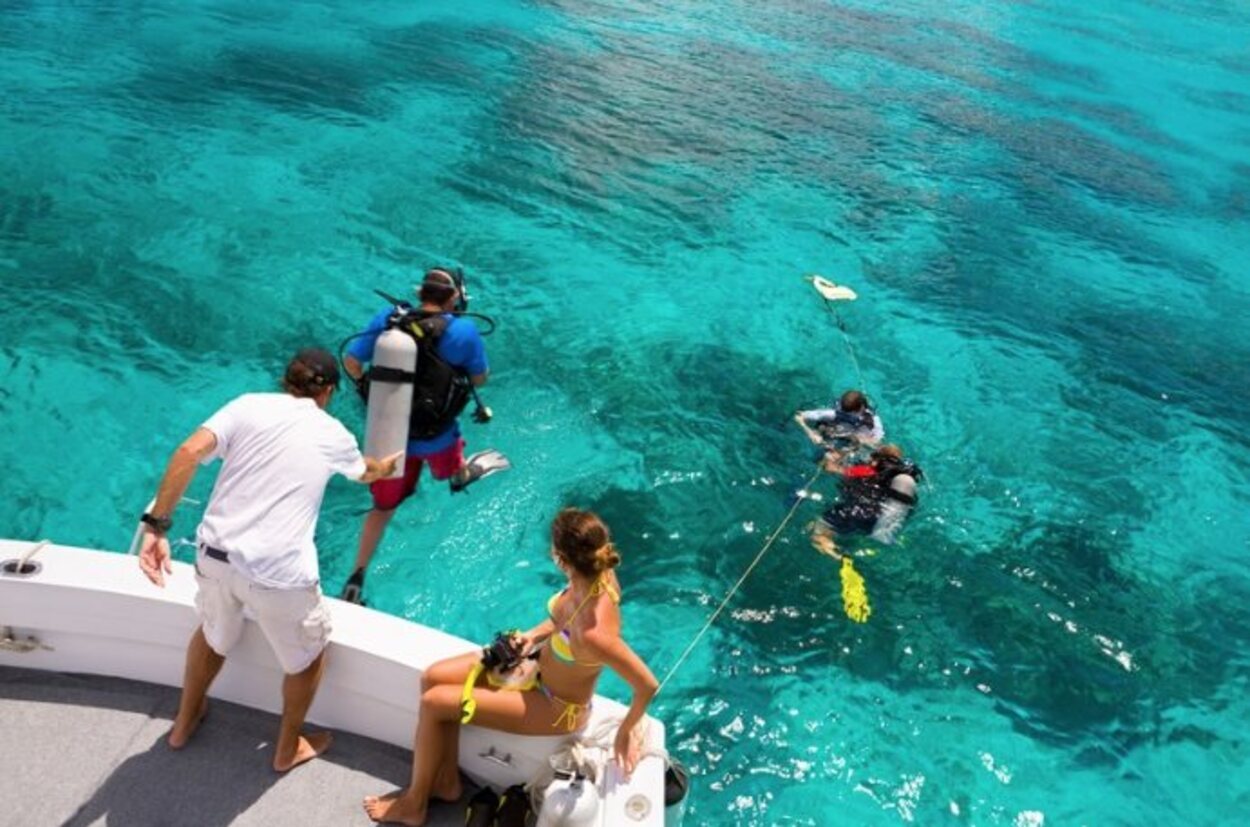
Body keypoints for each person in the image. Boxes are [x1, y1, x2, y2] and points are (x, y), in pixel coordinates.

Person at [137, 348, 400, 771]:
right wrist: (384, 469)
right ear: (329, 392)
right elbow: (363, 472)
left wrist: (157, 524)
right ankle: (286, 748)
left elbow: (188, 453)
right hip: (279, 573)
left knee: (212, 633)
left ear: (285, 381)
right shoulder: (333, 433)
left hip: (216, 557)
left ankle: (183, 723)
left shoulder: (246, 405)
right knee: (307, 658)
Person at [363, 508, 659, 826]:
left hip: (554, 707)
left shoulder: (596, 634)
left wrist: (626, 730)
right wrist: (531, 637)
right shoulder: (594, 575)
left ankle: (414, 803)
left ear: (561, 558)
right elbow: (561, 622)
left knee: (433, 703)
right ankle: (446, 781)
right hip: (533, 669)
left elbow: (647, 684)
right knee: (432, 677)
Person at [341, 267, 509, 604]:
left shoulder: (390, 319)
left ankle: (356, 576)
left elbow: (351, 360)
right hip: (438, 436)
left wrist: (366, 392)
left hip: (388, 438)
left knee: (383, 508)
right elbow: (480, 380)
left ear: (420, 293)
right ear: (455, 297)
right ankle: (460, 475)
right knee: (451, 466)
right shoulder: (464, 331)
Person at [809, 444, 921, 559]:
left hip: (859, 512)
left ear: (876, 460)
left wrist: (825, 461)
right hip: (881, 517)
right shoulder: (895, 476)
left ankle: (837, 555)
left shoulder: (867, 470)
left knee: (819, 528)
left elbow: (831, 468)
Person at [794, 389, 884, 459]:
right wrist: (810, 432)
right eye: (844, 412)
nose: (846, 415)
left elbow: (877, 443)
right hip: (832, 432)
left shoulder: (873, 422)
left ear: (861, 408)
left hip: (852, 438)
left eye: (850, 413)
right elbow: (799, 416)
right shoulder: (833, 414)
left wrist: (859, 440)